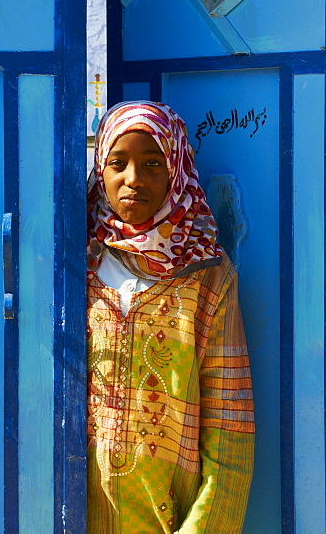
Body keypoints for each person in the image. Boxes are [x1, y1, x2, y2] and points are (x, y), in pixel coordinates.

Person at [86, 101, 254, 533]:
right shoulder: (72, 264)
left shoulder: (207, 277)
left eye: (152, 163)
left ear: (176, 170)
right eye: (117, 163)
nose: (133, 180)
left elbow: (229, 422)